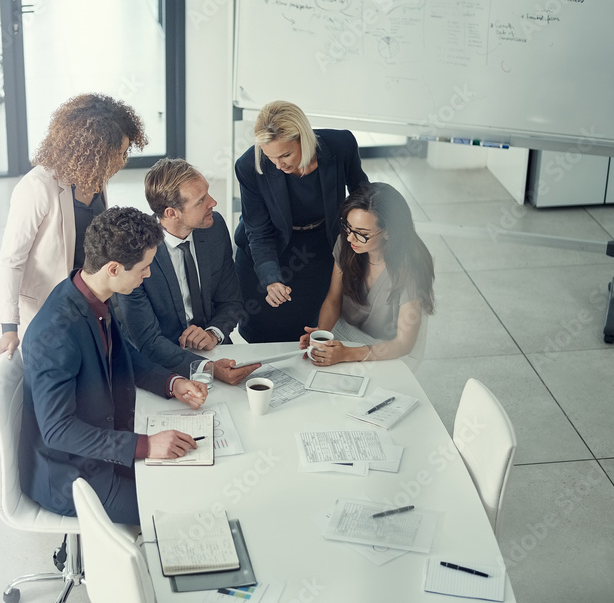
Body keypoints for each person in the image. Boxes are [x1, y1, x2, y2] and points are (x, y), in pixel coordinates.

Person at [19, 207, 209, 525]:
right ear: (114, 268)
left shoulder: (89, 294)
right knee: (180, 510)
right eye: (144, 268)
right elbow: (57, 430)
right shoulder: (56, 333)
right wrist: (146, 445)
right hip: (73, 476)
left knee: (193, 481)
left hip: (104, 447)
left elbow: (123, 355)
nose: (148, 275)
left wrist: (172, 383)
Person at [0, 93, 148, 364]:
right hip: (42, 309)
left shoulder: (96, 179)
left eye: (124, 153)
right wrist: (9, 329)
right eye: (117, 153)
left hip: (81, 299)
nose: (122, 162)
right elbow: (11, 261)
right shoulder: (37, 187)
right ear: (93, 151)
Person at [115, 158, 261, 386]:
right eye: (201, 200)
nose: (213, 202)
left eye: (207, 193)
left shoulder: (214, 227)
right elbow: (146, 340)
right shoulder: (133, 251)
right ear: (172, 213)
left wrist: (213, 333)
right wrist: (207, 368)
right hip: (161, 366)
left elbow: (231, 301)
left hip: (214, 351)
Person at [234, 100, 369, 343]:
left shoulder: (341, 145)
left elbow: (363, 196)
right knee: (262, 332)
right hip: (267, 250)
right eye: (271, 157)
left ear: (303, 139)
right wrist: (270, 279)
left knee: (311, 329)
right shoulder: (249, 166)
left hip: (319, 245)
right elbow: (259, 232)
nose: (279, 165)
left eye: (285, 155)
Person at [299, 182, 435, 367]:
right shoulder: (347, 244)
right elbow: (333, 299)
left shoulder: (411, 269)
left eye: (362, 234)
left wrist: (347, 354)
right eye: (348, 227)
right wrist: (322, 335)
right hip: (346, 331)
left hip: (386, 347)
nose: (350, 238)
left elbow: (404, 343)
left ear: (389, 233)